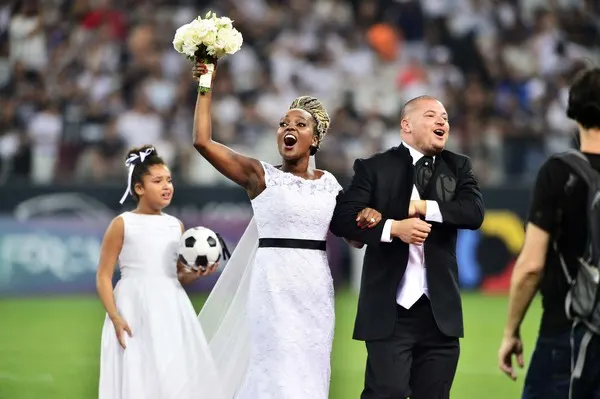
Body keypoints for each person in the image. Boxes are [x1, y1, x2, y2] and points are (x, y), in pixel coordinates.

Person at [190, 61, 379, 399]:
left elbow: (352, 237)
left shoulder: (331, 185)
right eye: (282, 124)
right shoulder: (260, 176)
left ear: (315, 139)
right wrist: (206, 83)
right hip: (272, 286)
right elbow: (203, 142)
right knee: (276, 370)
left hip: (315, 290)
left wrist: (366, 217)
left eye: (299, 124)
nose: (287, 128)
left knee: (310, 370)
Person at [330, 95, 485, 399]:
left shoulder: (458, 166)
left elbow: (474, 213)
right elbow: (342, 219)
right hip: (390, 313)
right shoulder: (373, 168)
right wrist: (393, 228)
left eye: (445, 117)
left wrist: (423, 206)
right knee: (386, 393)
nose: (442, 121)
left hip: (439, 316)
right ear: (406, 125)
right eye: (431, 115)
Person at [498, 67, 600, 398]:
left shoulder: (559, 173)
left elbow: (530, 266)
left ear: (573, 111)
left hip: (567, 336)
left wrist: (511, 331)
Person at [96, 145, 224, 399]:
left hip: (171, 305)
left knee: (172, 370)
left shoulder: (175, 226)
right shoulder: (123, 223)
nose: (167, 186)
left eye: (169, 180)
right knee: (138, 369)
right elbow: (103, 275)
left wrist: (195, 273)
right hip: (133, 305)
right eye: (157, 181)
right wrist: (115, 316)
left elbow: (177, 275)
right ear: (139, 188)